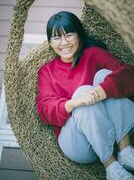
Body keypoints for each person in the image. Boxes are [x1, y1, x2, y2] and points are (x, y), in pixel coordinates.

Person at [36, 11, 134, 180]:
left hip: (111, 132)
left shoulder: (93, 55)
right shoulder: (47, 71)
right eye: (57, 38)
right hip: (78, 144)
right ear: (50, 43)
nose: (64, 43)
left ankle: (126, 151)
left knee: (104, 75)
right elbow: (44, 109)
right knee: (82, 94)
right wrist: (74, 103)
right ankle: (111, 166)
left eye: (68, 35)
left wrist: (103, 90)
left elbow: (129, 75)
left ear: (79, 35)